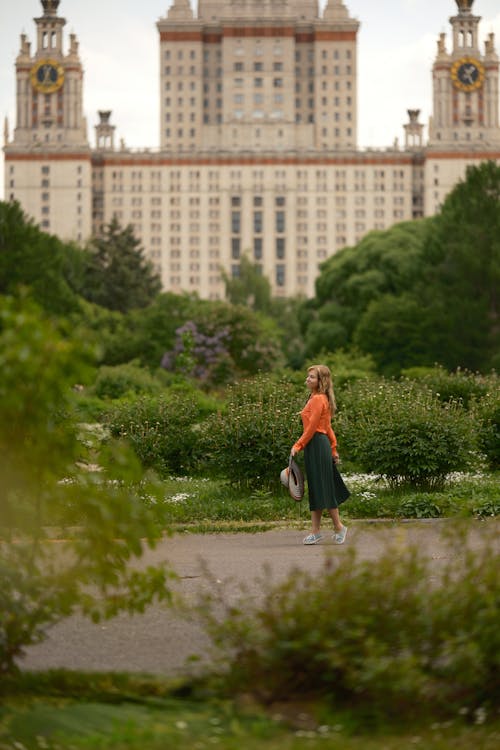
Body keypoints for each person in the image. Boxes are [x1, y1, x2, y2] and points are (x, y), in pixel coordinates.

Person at [291, 364, 348, 545]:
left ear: (321, 381)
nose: (307, 379)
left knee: (324, 487)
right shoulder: (318, 398)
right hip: (317, 445)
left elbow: (314, 427)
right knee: (318, 487)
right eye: (308, 376)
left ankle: (338, 527)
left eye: (312, 377)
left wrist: (298, 445)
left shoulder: (318, 400)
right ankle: (316, 531)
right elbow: (328, 427)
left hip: (315, 443)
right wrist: (333, 448)